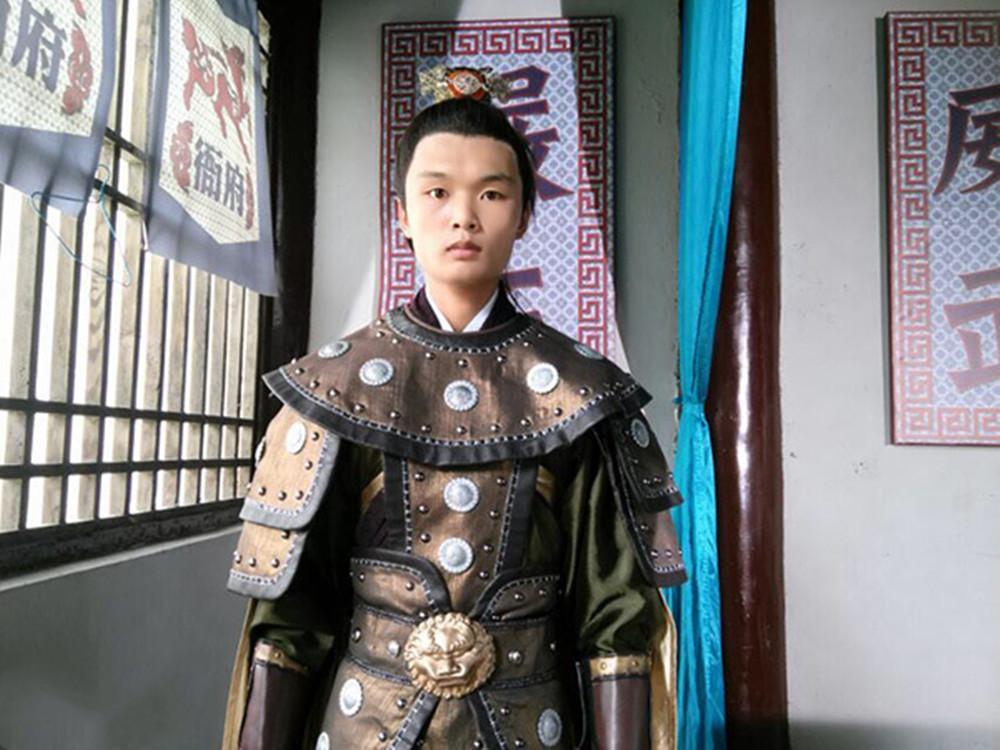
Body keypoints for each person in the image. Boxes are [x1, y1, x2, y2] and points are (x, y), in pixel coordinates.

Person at [221, 71, 686, 750]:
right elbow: (289, 620)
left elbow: (615, 620)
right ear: (403, 213)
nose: (463, 217)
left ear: (523, 215)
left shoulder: (584, 396)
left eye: (491, 193)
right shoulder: (331, 387)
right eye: (437, 192)